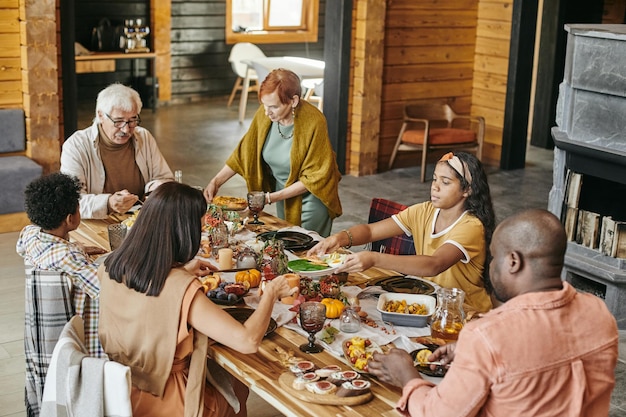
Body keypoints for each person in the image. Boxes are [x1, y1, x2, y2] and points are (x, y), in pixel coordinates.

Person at [368, 209, 619, 417]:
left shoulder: (487, 335)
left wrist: (407, 376)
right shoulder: (599, 313)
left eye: (493, 257)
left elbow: (439, 413)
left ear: (513, 262)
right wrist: (470, 353)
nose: (490, 266)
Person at [98, 181, 295, 416]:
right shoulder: (182, 289)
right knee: (238, 384)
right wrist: (271, 294)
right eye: (199, 229)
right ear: (183, 232)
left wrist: (181, 272)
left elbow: (145, 301)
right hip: (172, 401)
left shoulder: (110, 267)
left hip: (120, 390)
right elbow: (247, 342)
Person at [309, 151, 495, 312]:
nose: (435, 186)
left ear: (467, 190)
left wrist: (375, 259)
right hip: (430, 302)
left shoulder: (471, 226)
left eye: (445, 182)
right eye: (435, 179)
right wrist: (340, 238)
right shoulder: (424, 211)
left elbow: (434, 264)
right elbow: (370, 231)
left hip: (464, 312)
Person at [204, 68, 342, 237]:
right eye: (264, 105)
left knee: (307, 253)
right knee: (286, 246)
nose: (267, 112)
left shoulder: (314, 122)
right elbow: (243, 153)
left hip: (311, 201)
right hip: (283, 197)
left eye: (274, 106)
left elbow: (315, 178)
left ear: (294, 101)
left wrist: (269, 198)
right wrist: (216, 181)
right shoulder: (265, 116)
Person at [17, 172, 105, 358]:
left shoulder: (30, 234)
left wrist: (78, 248)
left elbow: (45, 252)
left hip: (39, 335)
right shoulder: (68, 257)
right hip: (80, 340)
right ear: (69, 219)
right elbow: (103, 289)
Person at [61, 83, 174, 219]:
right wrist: (108, 203)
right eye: (118, 121)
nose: (126, 129)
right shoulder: (76, 146)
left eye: (133, 120)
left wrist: (157, 188)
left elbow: (164, 178)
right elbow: (73, 201)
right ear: (101, 115)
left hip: (140, 219)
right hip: (96, 223)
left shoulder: (144, 137)